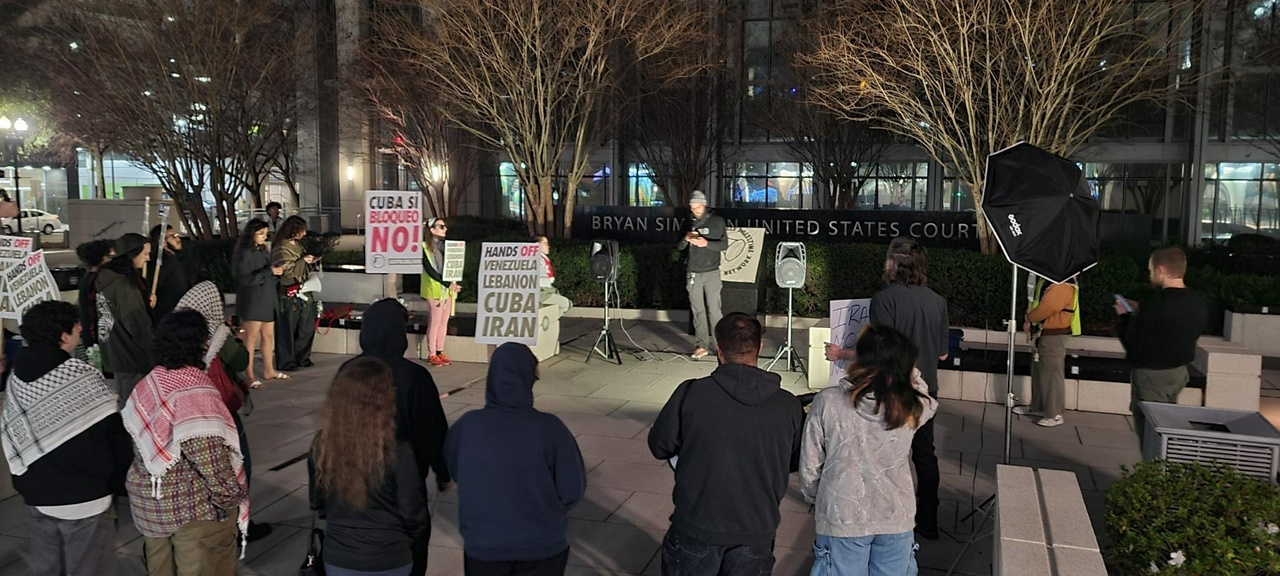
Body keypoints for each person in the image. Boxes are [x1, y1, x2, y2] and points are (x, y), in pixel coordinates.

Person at [648, 312, 806, 574]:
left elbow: (659, 446)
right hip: (756, 529)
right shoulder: (787, 405)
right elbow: (794, 460)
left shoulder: (690, 393)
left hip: (697, 526)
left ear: (719, 350)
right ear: (760, 348)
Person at [824, 237, 949, 540]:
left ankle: (884, 516)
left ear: (894, 264)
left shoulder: (884, 299)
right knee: (924, 455)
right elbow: (943, 354)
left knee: (883, 456)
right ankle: (929, 521)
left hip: (892, 388)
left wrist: (841, 355)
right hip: (925, 390)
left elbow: (879, 353)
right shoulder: (937, 301)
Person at [1, 301, 133, 576]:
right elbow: (116, 439)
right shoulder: (82, 378)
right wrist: (120, 485)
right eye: (76, 326)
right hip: (85, 498)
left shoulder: (16, 378)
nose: (81, 329)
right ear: (63, 336)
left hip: (37, 494)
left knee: (49, 569)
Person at [801, 324, 938, 576]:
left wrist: (817, 498)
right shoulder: (911, 406)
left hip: (842, 513)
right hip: (895, 514)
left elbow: (810, 466)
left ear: (860, 359)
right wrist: (901, 366)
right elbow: (923, 390)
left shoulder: (828, 401)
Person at [122, 310, 249, 575]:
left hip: (151, 510)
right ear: (202, 344)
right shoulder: (193, 391)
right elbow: (209, 459)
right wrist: (233, 500)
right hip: (193, 513)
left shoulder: (150, 382)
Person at [445, 343, 586, 575]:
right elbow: (572, 489)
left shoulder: (467, 426)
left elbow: (455, 469)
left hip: (485, 545)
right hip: (541, 545)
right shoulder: (550, 428)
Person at [358, 298, 452, 575]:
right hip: (403, 485)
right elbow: (432, 431)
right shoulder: (414, 376)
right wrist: (442, 471)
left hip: (352, 479)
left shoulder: (348, 372)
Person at [310, 357, 429, 576]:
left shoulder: (323, 445)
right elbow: (413, 512)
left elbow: (318, 502)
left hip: (338, 556)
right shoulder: (398, 450)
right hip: (390, 557)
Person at [175, 281, 273, 543]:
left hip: (188, 411)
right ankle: (240, 523)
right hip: (220, 408)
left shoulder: (174, 330)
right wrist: (236, 340)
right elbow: (240, 361)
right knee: (240, 464)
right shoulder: (217, 332)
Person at [1115, 246, 1208, 443]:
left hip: (1152, 375)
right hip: (1179, 372)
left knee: (1151, 433)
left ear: (1161, 270)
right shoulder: (1197, 302)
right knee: (1166, 427)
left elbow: (1133, 343)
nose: (1149, 275)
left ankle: (1153, 471)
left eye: (1150, 270)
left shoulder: (1154, 304)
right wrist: (1139, 308)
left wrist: (1124, 318)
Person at [97, 233, 156, 409]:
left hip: (115, 352)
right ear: (132, 254)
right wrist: (156, 352)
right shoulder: (124, 286)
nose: (148, 258)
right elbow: (138, 326)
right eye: (145, 254)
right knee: (135, 407)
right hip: (132, 356)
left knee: (125, 402)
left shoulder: (106, 279)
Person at [1014, 275, 1081, 428]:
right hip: (1046, 333)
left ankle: (1054, 414)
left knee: (1051, 375)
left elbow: (1048, 307)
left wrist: (1029, 317)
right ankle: (1039, 407)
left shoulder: (1062, 285)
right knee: (1040, 372)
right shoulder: (1052, 282)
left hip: (1055, 334)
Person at [234, 220, 286, 387]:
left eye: (265, 233)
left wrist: (274, 271)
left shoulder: (263, 249)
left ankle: (268, 369)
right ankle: (249, 374)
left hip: (267, 296)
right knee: (251, 338)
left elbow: (265, 270)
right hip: (253, 298)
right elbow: (245, 278)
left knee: (268, 335)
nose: (264, 237)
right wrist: (268, 271)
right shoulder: (244, 252)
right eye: (261, 233)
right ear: (252, 234)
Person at [680, 191, 728, 360]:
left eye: (698, 207)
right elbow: (679, 246)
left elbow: (724, 245)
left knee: (714, 310)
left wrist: (705, 243)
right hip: (693, 273)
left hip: (712, 272)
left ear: (704, 204)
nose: (695, 211)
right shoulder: (688, 221)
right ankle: (702, 345)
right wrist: (686, 238)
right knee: (697, 311)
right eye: (692, 208)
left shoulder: (717, 221)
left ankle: (721, 346)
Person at [272, 215, 320, 371]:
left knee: (306, 325)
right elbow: (285, 270)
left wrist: (310, 261)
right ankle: (287, 361)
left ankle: (302, 357)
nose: (304, 234)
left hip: (305, 288)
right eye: (302, 230)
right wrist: (302, 261)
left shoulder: (299, 245)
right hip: (289, 291)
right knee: (287, 328)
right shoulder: (281, 247)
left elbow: (300, 264)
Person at [420, 217, 461, 366]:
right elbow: (430, 270)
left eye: (445, 227)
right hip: (434, 289)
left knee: (444, 321)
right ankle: (431, 353)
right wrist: (448, 284)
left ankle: (439, 350)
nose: (445, 229)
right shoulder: (424, 247)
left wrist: (453, 283)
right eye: (441, 226)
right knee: (435, 321)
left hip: (447, 289)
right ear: (431, 230)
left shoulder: (446, 247)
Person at [75, 239, 115, 359]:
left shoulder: (88, 278)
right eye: (111, 257)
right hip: (98, 336)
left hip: (91, 333)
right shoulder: (99, 281)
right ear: (103, 259)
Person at [147, 224, 193, 322]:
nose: (178, 239)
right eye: (173, 237)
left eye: (176, 235)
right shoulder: (161, 262)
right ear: (162, 242)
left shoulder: (175, 258)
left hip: (180, 309)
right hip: (167, 314)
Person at [536, 235, 572, 318]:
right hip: (542, 291)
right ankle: (549, 322)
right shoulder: (537, 259)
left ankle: (548, 321)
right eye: (545, 243)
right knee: (566, 304)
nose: (548, 246)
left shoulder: (543, 258)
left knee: (561, 305)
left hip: (546, 289)